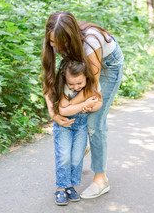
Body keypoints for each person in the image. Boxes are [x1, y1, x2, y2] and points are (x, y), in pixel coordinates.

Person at [42, 11, 124, 199]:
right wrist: (53, 112)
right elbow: (48, 81)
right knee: (73, 109)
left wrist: (64, 106)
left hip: (107, 67)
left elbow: (94, 91)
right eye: (52, 42)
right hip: (80, 67)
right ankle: (81, 146)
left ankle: (101, 180)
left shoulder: (91, 43)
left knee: (95, 122)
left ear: (70, 37)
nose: (55, 47)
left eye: (59, 44)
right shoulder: (53, 38)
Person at [51, 60, 102, 206]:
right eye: (71, 84)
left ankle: (70, 186)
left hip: (80, 126)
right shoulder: (63, 87)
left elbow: (99, 101)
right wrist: (85, 104)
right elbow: (63, 110)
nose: (75, 87)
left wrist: (92, 108)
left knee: (77, 157)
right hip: (64, 126)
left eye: (79, 83)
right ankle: (61, 187)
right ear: (65, 79)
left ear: (86, 76)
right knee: (64, 156)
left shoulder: (93, 85)